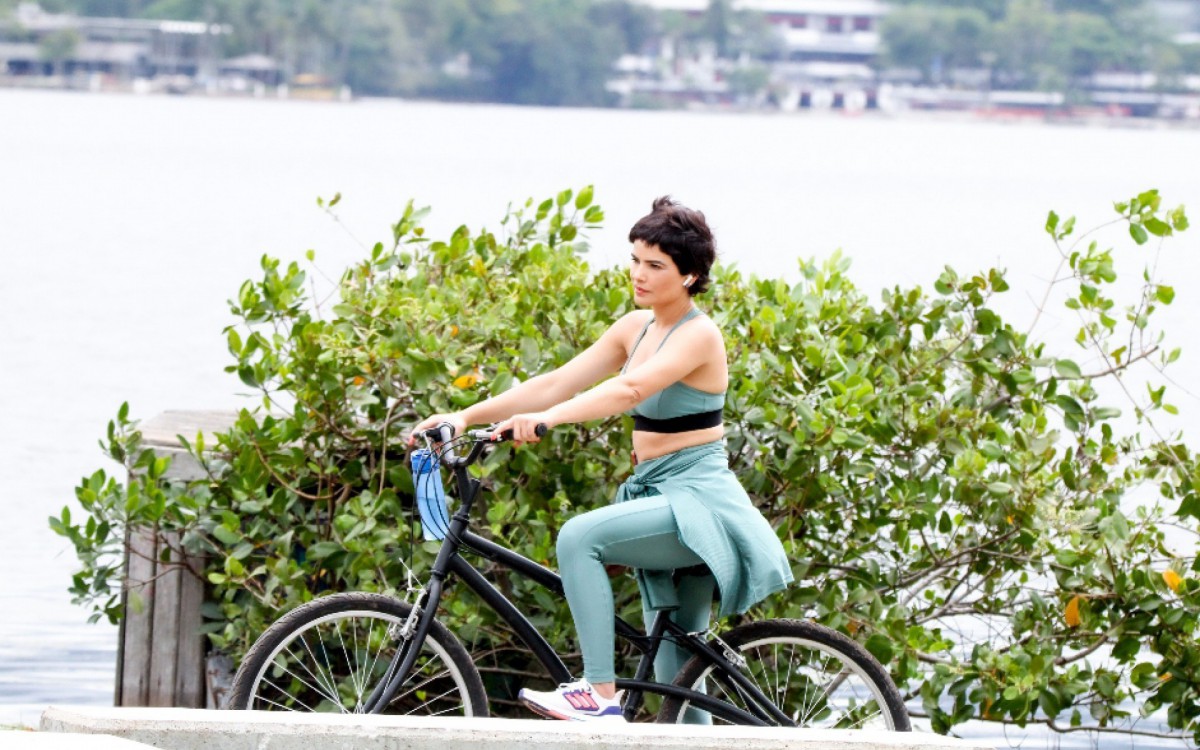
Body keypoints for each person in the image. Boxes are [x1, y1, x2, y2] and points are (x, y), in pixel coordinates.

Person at [409, 196, 793, 722]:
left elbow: (629, 390)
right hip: (657, 490)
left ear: (689, 276)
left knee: (579, 537)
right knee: (677, 679)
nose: (639, 274)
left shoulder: (700, 334)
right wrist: (465, 416)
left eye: (655, 265)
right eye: (635, 259)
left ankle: (598, 692)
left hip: (698, 499)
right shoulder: (635, 328)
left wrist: (548, 420)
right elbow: (557, 382)